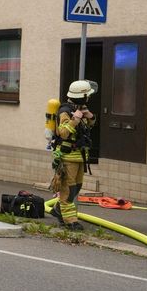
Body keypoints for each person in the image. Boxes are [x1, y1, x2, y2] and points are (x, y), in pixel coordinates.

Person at [50, 80, 97, 231]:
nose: (89, 98)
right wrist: (75, 120)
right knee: (68, 190)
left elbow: (87, 128)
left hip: (80, 156)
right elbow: (63, 133)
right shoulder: (65, 111)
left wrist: (90, 117)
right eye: (87, 95)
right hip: (67, 157)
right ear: (82, 96)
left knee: (77, 187)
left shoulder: (80, 108)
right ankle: (70, 221)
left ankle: (58, 209)